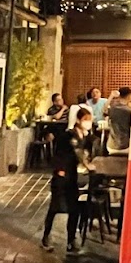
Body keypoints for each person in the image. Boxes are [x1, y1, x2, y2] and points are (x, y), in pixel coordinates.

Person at [42, 106, 94, 253]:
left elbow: (86, 154)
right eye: (85, 120)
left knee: (74, 209)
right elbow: (60, 154)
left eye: (90, 120)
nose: (88, 123)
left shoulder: (86, 137)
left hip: (74, 177)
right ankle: (46, 236)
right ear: (78, 120)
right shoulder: (68, 135)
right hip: (62, 175)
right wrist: (60, 170)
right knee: (55, 207)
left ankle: (71, 241)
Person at [106, 87, 131, 154]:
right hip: (126, 145)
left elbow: (104, 111)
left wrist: (111, 96)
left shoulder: (113, 108)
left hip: (111, 145)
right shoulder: (129, 111)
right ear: (129, 96)